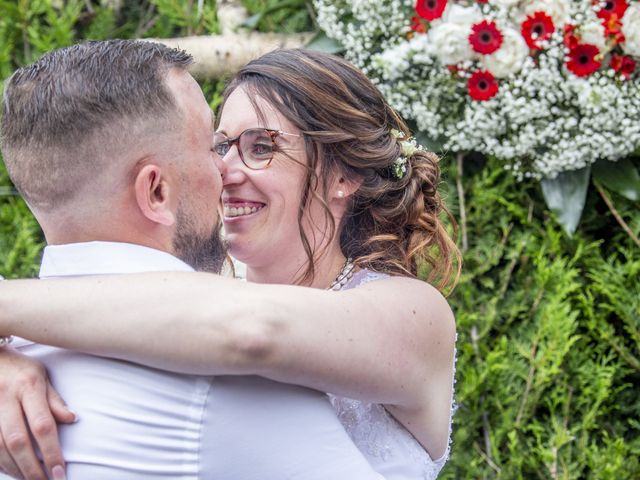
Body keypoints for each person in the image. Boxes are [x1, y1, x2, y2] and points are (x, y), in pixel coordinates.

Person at [0, 48, 460, 479]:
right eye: (219, 147)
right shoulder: (178, 298)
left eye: (261, 147)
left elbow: (252, 326)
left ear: (344, 174)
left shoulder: (415, 314)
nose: (225, 170)